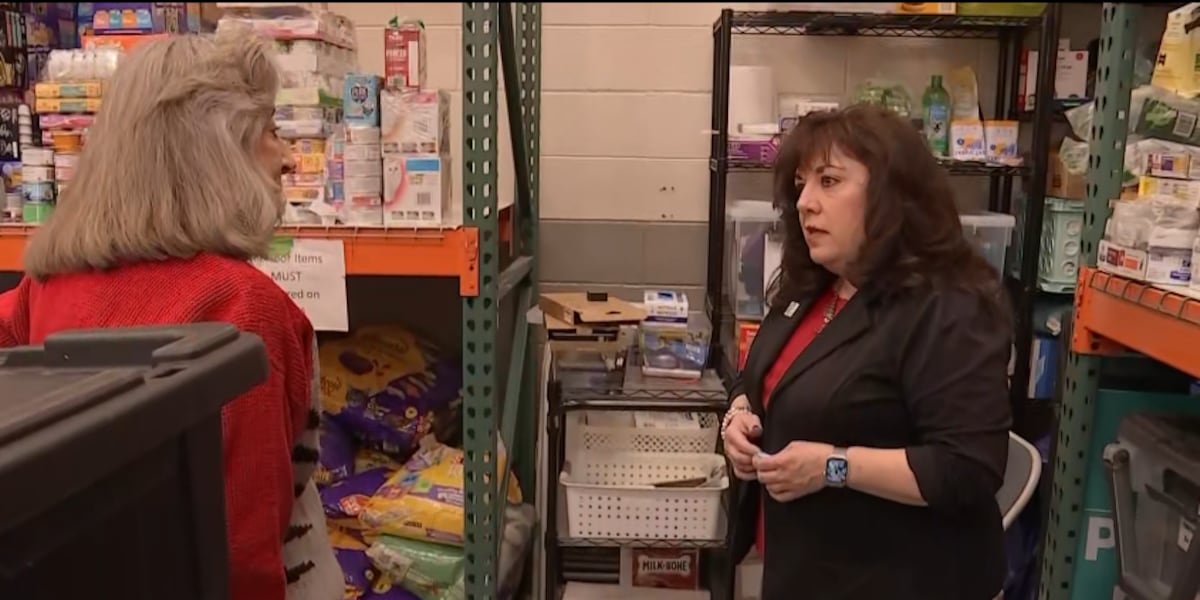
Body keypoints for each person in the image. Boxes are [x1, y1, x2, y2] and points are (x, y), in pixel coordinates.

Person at [0, 31, 341, 600]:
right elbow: (241, 559)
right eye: (269, 130)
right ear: (217, 151)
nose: (287, 157)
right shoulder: (245, 307)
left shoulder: (45, 288)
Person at [722, 104, 1012, 600]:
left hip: (898, 579)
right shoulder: (815, 285)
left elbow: (967, 469)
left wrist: (834, 466)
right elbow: (761, 377)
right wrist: (739, 413)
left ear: (891, 195)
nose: (805, 203)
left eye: (829, 182)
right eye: (801, 185)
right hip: (807, 569)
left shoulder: (947, 307)